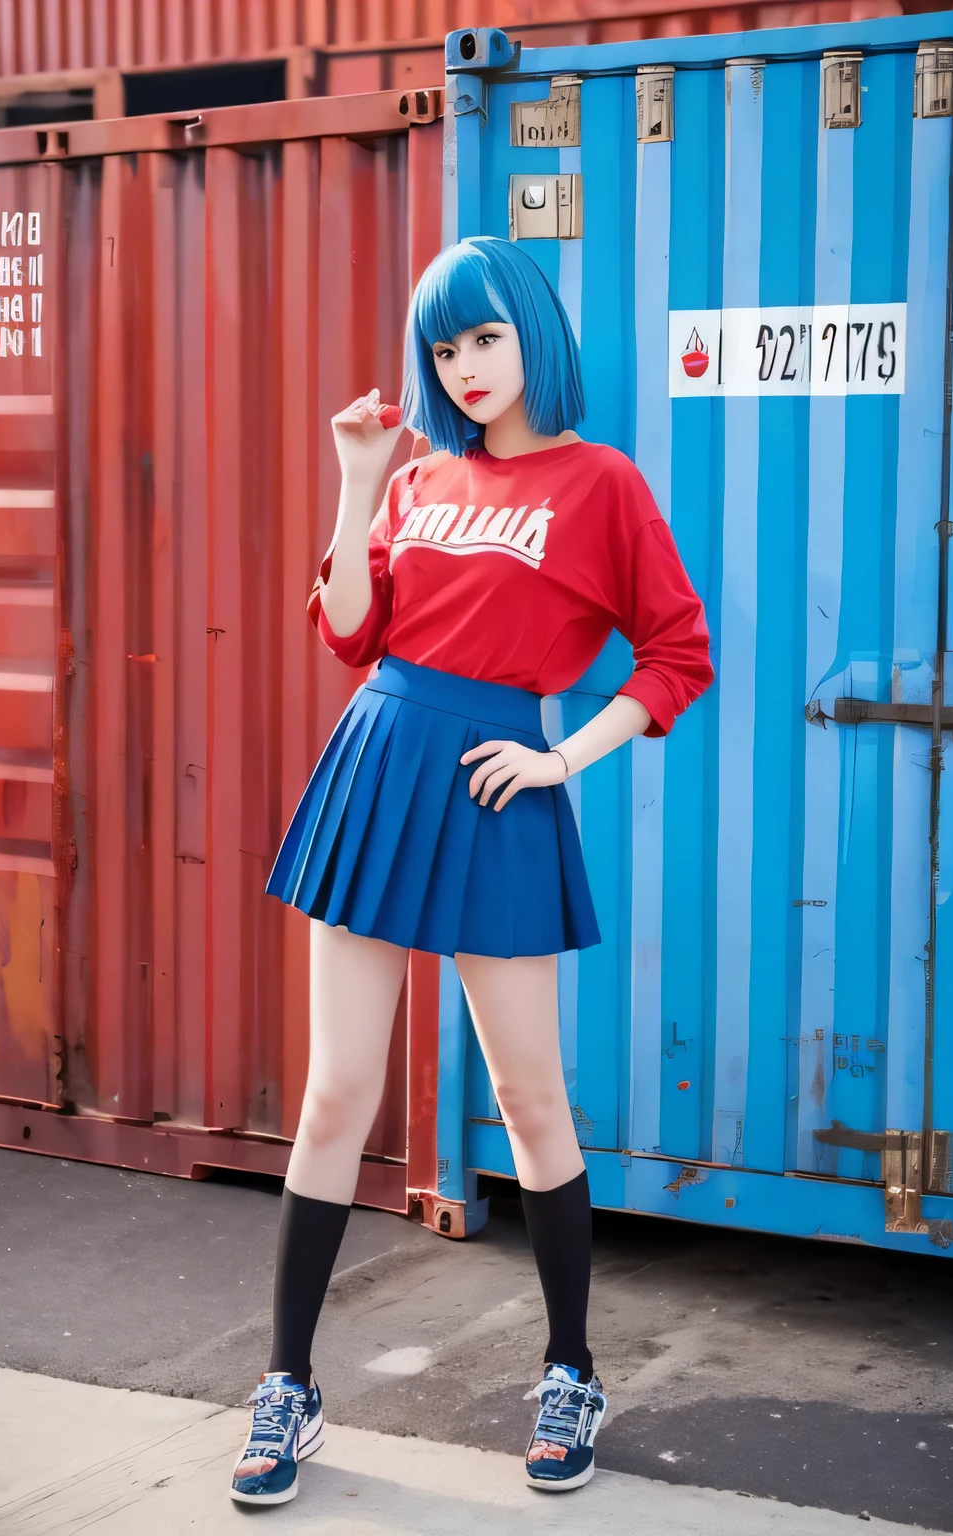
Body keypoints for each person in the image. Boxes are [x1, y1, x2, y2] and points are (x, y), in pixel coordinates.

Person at [229, 235, 714, 1506]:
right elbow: (346, 633)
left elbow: (675, 653)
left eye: (485, 338)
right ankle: (288, 1386)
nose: (465, 365)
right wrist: (355, 481)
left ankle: (569, 1370)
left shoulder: (599, 484)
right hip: (378, 767)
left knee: (530, 1097)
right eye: (445, 347)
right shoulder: (417, 475)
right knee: (336, 1097)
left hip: (498, 788)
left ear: (533, 336)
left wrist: (567, 763)